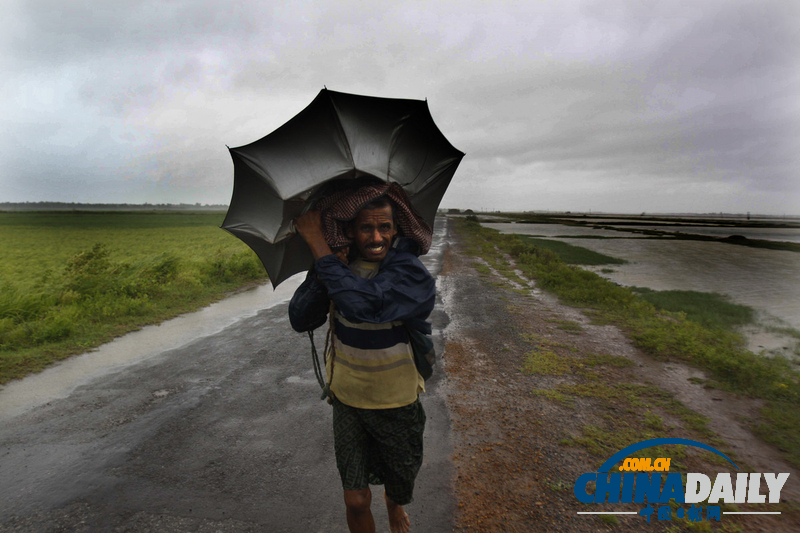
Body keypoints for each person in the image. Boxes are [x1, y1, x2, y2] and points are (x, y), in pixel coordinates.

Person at [289, 194, 436, 533]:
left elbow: (365, 305)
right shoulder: (334, 264)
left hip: (397, 400)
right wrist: (323, 271)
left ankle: (394, 504)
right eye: (365, 228)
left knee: (400, 484)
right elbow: (300, 319)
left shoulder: (411, 274)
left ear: (397, 229)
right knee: (355, 500)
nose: (376, 237)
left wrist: (317, 245)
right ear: (350, 231)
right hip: (347, 398)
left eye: (385, 227)